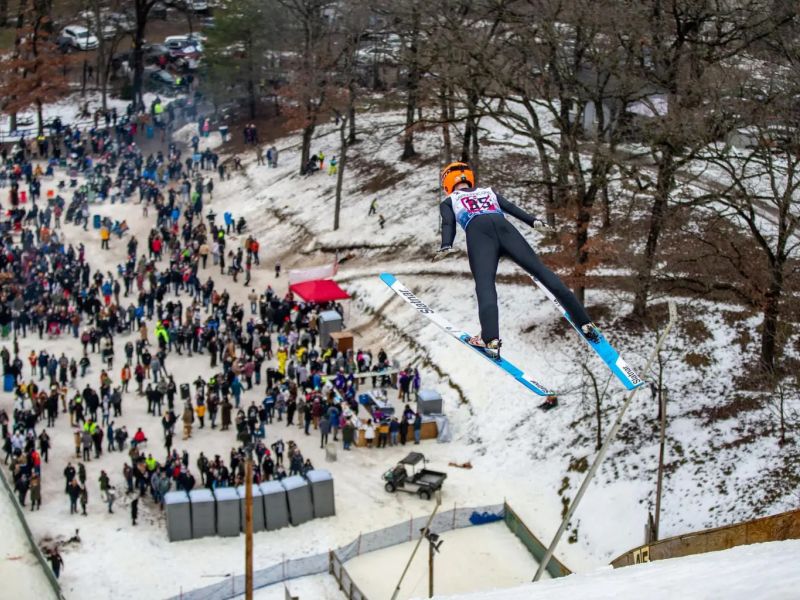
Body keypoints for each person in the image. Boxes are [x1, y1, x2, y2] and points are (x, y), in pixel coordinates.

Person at [437, 161, 600, 358]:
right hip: (505, 230)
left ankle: (490, 339)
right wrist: (534, 222)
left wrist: (446, 244)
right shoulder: (488, 192)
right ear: (469, 177)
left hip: (479, 235)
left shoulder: (449, 201)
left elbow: (448, 223)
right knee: (541, 271)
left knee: (485, 285)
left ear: (447, 183)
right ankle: (584, 322)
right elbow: (511, 208)